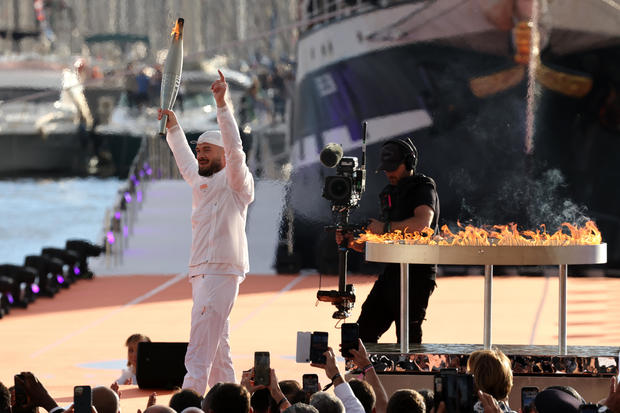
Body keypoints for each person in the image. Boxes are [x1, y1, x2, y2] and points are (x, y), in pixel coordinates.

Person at [158, 69, 255, 396]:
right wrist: (173, 127)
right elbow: (185, 161)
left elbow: (235, 147)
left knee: (199, 346)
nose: (200, 152)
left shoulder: (236, 182)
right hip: (200, 272)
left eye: (207, 150)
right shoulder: (201, 182)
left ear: (224, 155)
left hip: (222, 270)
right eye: (199, 148)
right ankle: (229, 398)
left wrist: (222, 104)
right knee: (218, 350)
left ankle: (189, 400)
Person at [338, 137, 439, 344]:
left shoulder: (423, 188)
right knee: (362, 333)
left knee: (408, 340)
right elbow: (385, 239)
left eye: (394, 167)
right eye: (386, 168)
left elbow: (422, 225)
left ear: (409, 163)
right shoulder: (389, 193)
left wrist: (384, 227)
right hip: (393, 272)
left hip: (417, 274)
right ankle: (365, 374)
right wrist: (354, 243)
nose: (388, 172)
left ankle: (409, 373)